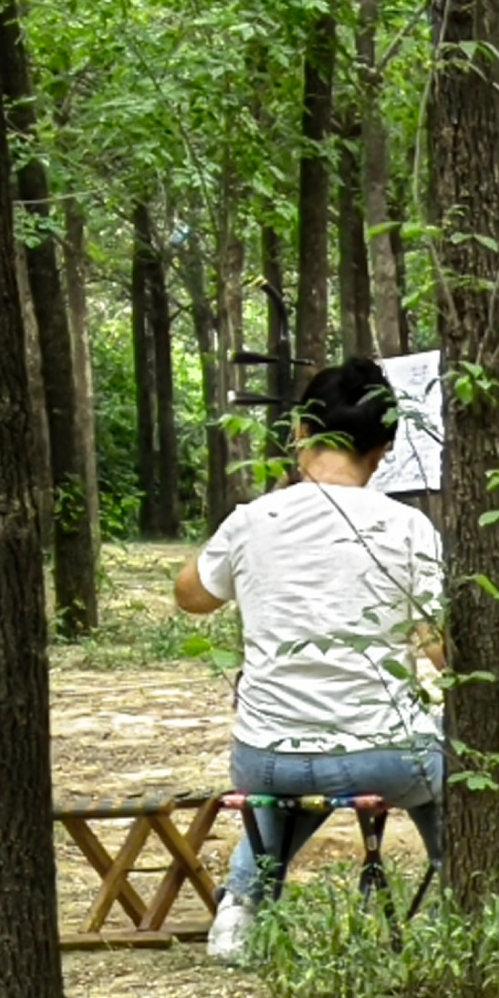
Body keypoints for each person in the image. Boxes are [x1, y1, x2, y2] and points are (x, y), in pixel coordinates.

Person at [176, 361, 444, 966]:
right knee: (452, 751)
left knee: (288, 777)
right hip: (382, 754)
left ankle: (240, 909)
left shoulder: (254, 519)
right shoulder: (408, 527)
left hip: (265, 758)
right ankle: (463, 891)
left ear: (299, 430)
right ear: (385, 448)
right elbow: (438, 647)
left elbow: (191, 595)